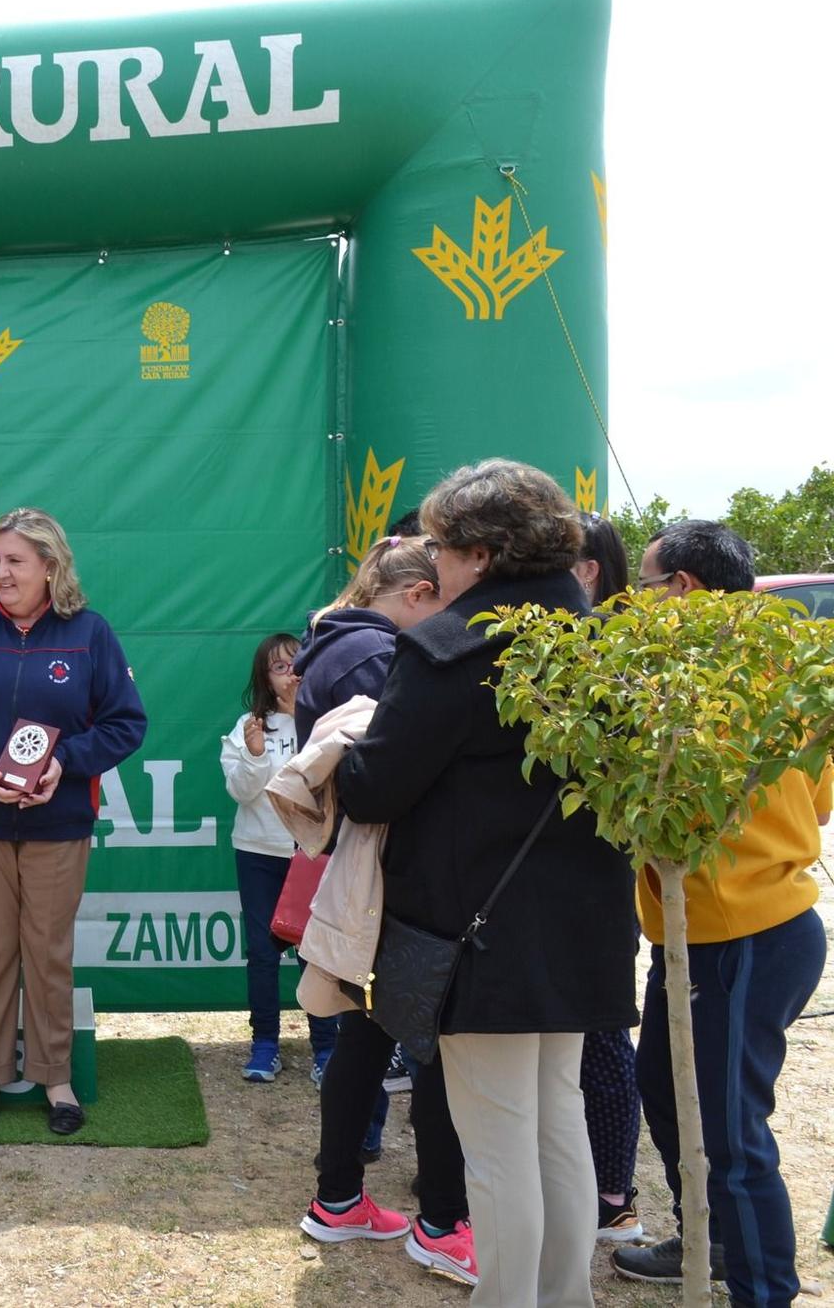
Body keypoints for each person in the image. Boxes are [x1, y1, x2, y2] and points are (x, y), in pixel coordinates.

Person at [338, 459, 638, 1306]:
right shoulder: (609, 643)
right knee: (556, 1123)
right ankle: (562, 1298)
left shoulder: (451, 645)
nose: (431, 561)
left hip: (478, 929)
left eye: (436, 544)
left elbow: (374, 786)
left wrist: (345, 749)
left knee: (501, 1142)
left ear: (479, 551)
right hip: (583, 927)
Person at [610, 520, 830, 1304]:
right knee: (666, 1092)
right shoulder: (789, 664)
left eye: (644, 585)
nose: (634, 602)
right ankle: (708, 1237)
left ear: (685, 590)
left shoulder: (705, 680)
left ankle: (761, 1289)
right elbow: (822, 795)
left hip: (746, 932)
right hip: (696, 934)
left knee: (732, 1130)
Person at [0, 508, 145, 1137]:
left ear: (50, 566)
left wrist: (62, 765)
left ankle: (54, 1076)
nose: (1, 573)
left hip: (59, 822)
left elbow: (125, 723)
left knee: (48, 950)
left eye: (15, 561)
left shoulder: (89, 635)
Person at [291, 535, 475, 1287]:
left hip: (370, 875)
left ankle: (340, 1196)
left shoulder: (334, 644)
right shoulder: (372, 655)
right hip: (394, 876)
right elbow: (390, 771)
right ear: (417, 596)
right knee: (428, 1041)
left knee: (367, 1037)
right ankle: (440, 1220)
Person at [569, 511, 646, 1243]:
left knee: (601, 1035)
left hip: (596, 876)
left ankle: (615, 1194)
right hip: (575, 877)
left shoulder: (610, 652)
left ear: (587, 568)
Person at [220, 632, 338, 1083]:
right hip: (258, 853)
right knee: (264, 954)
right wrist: (253, 755)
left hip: (312, 853)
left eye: (295, 665)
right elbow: (242, 793)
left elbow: (329, 785)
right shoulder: (248, 726)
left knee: (314, 952)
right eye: (278, 668)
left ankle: (326, 1047)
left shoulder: (326, 722)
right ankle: (265, 1044)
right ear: (265, 679)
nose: (289, 675)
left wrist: (304, 720)